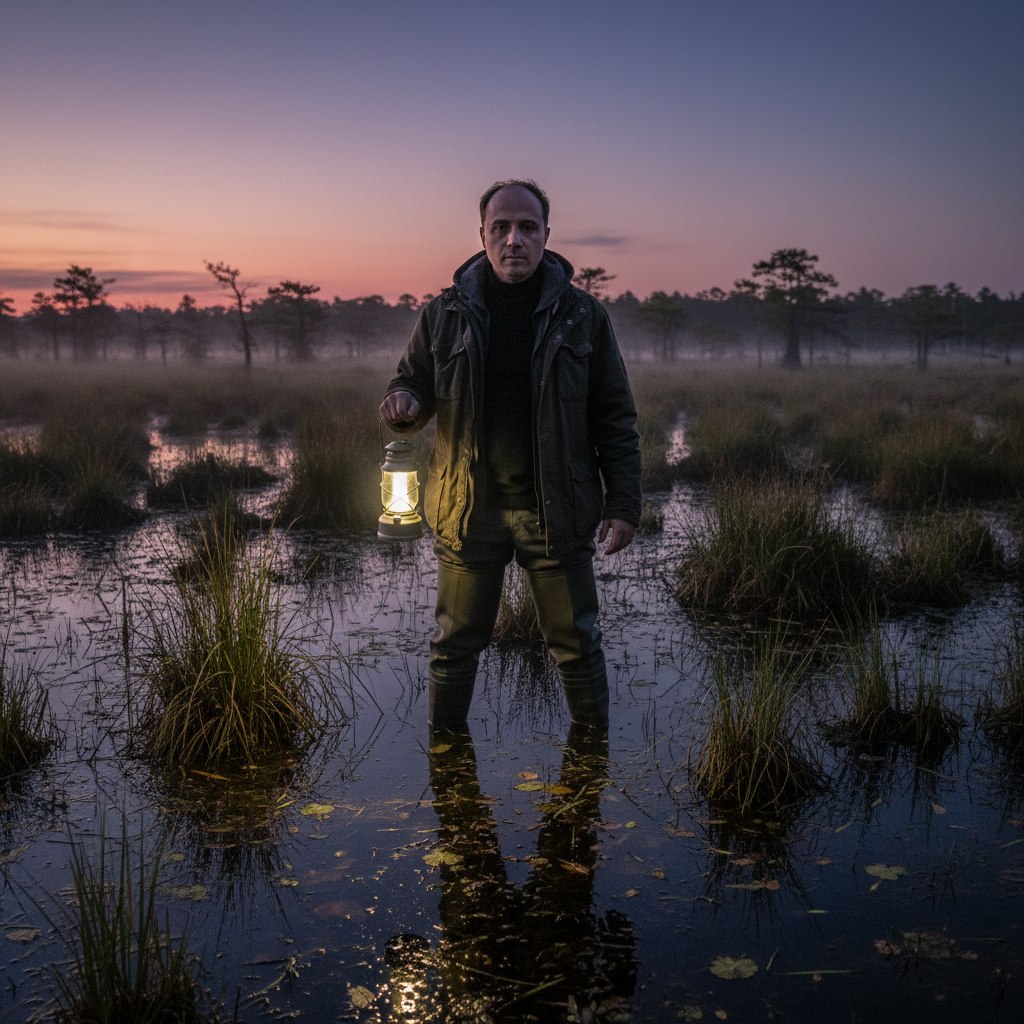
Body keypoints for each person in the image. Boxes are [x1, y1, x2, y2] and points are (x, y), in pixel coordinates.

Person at [379, 178, 641, 731]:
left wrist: (623, 504)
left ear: (548, 234)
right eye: (502, 227)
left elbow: (615, 419)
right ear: (482, 235)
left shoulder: (584, 316)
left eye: (527, 227)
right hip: (467, 510)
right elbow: (411, 386)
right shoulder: (443, 314)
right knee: (453, 646)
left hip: (557, 511)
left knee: (577, 644)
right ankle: (449, 777)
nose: (514, 240)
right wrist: (402, 401)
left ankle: (590, 769)